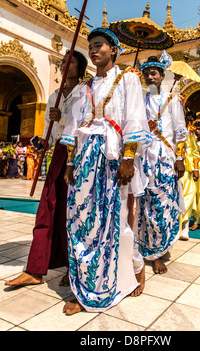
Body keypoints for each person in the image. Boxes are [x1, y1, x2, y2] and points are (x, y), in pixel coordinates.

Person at [61, 27, 151, 315]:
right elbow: (73, 127)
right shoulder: (82, 87)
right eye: (91, 46)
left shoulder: (128, 80)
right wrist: (71, 163)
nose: (94, 50)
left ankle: (132, 268)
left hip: (113, 157)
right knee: (82, 218)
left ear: (114, 50)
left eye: (100, 45)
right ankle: (83, 284)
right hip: (86, 157)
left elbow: (135, 120)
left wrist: (128, 159)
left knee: (113, 219)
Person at [5, 50, 88, 288]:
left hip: (81, 156)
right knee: (47, 209)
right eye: (62, 62)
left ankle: (75, 267)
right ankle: (36, 267)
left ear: (80, 67)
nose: (64, 65)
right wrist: (43, 142)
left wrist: (62, 119)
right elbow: (49, 135)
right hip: (60, 154)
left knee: (74, 212)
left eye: (70, 61)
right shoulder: (54, 96)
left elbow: (86, 125)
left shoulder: (87, 93)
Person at [136, 55, 188, 273]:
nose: (150, 76)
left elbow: (180, 131)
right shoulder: (139, 100)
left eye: (154, 73)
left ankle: (160, 252)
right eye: (146, 73)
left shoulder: (172, 99)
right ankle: (145, 246)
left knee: (163, 205)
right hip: (143, 157)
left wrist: (180, 158)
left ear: (162, 75)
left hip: (165, 158)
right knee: (143, 203)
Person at [180, 110, 199, 240]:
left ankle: (185, 227)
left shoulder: (190, 132)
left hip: (187, 167)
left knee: (188, 195)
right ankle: (176, 228)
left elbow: (194, 150)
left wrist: (195, 168)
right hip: (171, 166)